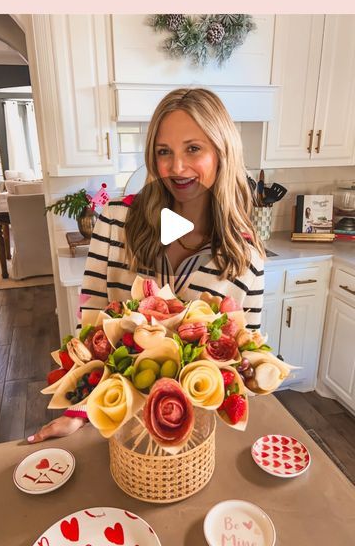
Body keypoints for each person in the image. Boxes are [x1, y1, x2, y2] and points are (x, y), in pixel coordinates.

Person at [28, 87, 265, 443]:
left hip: (196, 433)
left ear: (222, 152)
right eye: (163, 151)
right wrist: (79, 410)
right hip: (119, 425)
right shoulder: (115, 220)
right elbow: (90, 329)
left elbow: (245, 361)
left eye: (193, 149)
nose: (176, 167)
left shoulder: (245, 257)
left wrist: (244, 372)